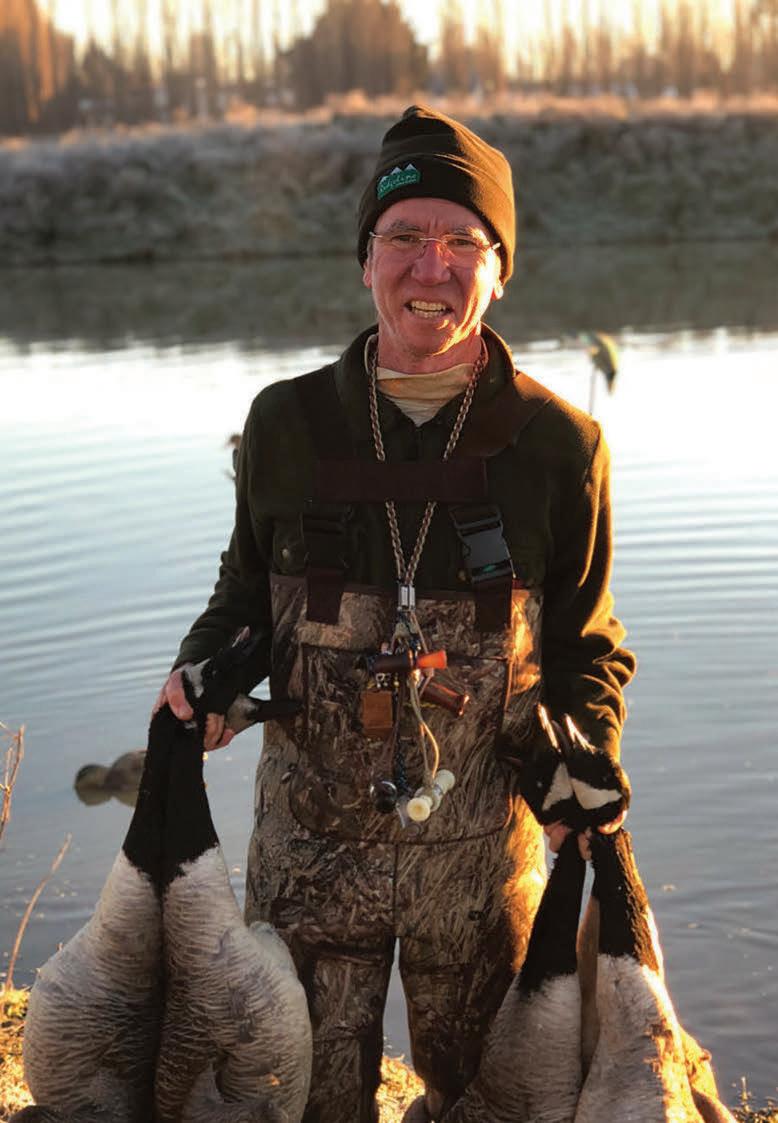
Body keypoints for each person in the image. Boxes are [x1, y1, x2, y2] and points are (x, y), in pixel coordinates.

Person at [156, 106, 635, 1122]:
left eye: (464, 241)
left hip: (484, 865)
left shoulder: (561, 446)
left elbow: (585, 647)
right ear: (365, 257)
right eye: (406, 235)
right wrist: (204, 673)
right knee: (295, 1100)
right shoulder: (286, 422)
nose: (432, 266)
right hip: (307, 859)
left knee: (495, 1101)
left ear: (500, 270)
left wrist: (584, 750)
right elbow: (244, 595)